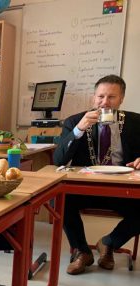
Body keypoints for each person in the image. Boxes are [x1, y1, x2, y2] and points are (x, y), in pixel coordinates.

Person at [54, 74, 140, 275]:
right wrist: (78, 130)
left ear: (121, 99)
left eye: (111, 97)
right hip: (85, 187)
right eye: (100, 96)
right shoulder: (74, 121)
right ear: (94, 98)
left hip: (122, 188)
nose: (105, 102)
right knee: (58, 199)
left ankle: (108, 243)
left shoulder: (136, 122)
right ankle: (82, 251)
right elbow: (58, 159)